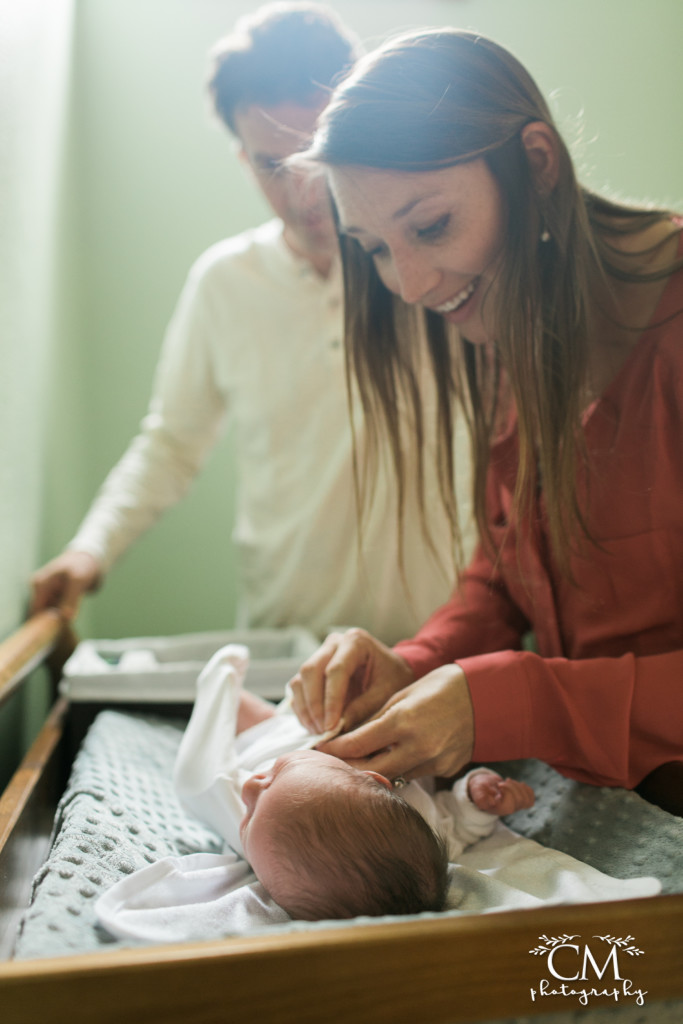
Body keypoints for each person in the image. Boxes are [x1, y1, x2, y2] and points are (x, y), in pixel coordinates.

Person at [287, 28, 683, 793]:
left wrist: (518, 699)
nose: (405, 284)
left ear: (536, 164)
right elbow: (511, 570)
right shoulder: (513, 312)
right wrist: (414, 663)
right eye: (371, 246)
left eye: (430, 226)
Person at [30, 4, 471, 645]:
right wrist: (89, 549)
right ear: (243, 159)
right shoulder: (224, 284)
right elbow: (171, 446)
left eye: (315, 151)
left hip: (438, 645)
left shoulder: (426, 264)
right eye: (271, 164)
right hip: (284, 649)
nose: (302, 190)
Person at [173, 643, 534, 920]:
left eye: (249, 821)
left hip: (265, 738)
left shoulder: (253, 827)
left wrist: (220, 675)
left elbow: (195, 776)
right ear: (377, 780)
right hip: (317, 729)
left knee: (246, 712)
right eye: (275, 778)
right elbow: (456, 825)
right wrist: (474, 800)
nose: (250, 787)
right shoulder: (412, 829)